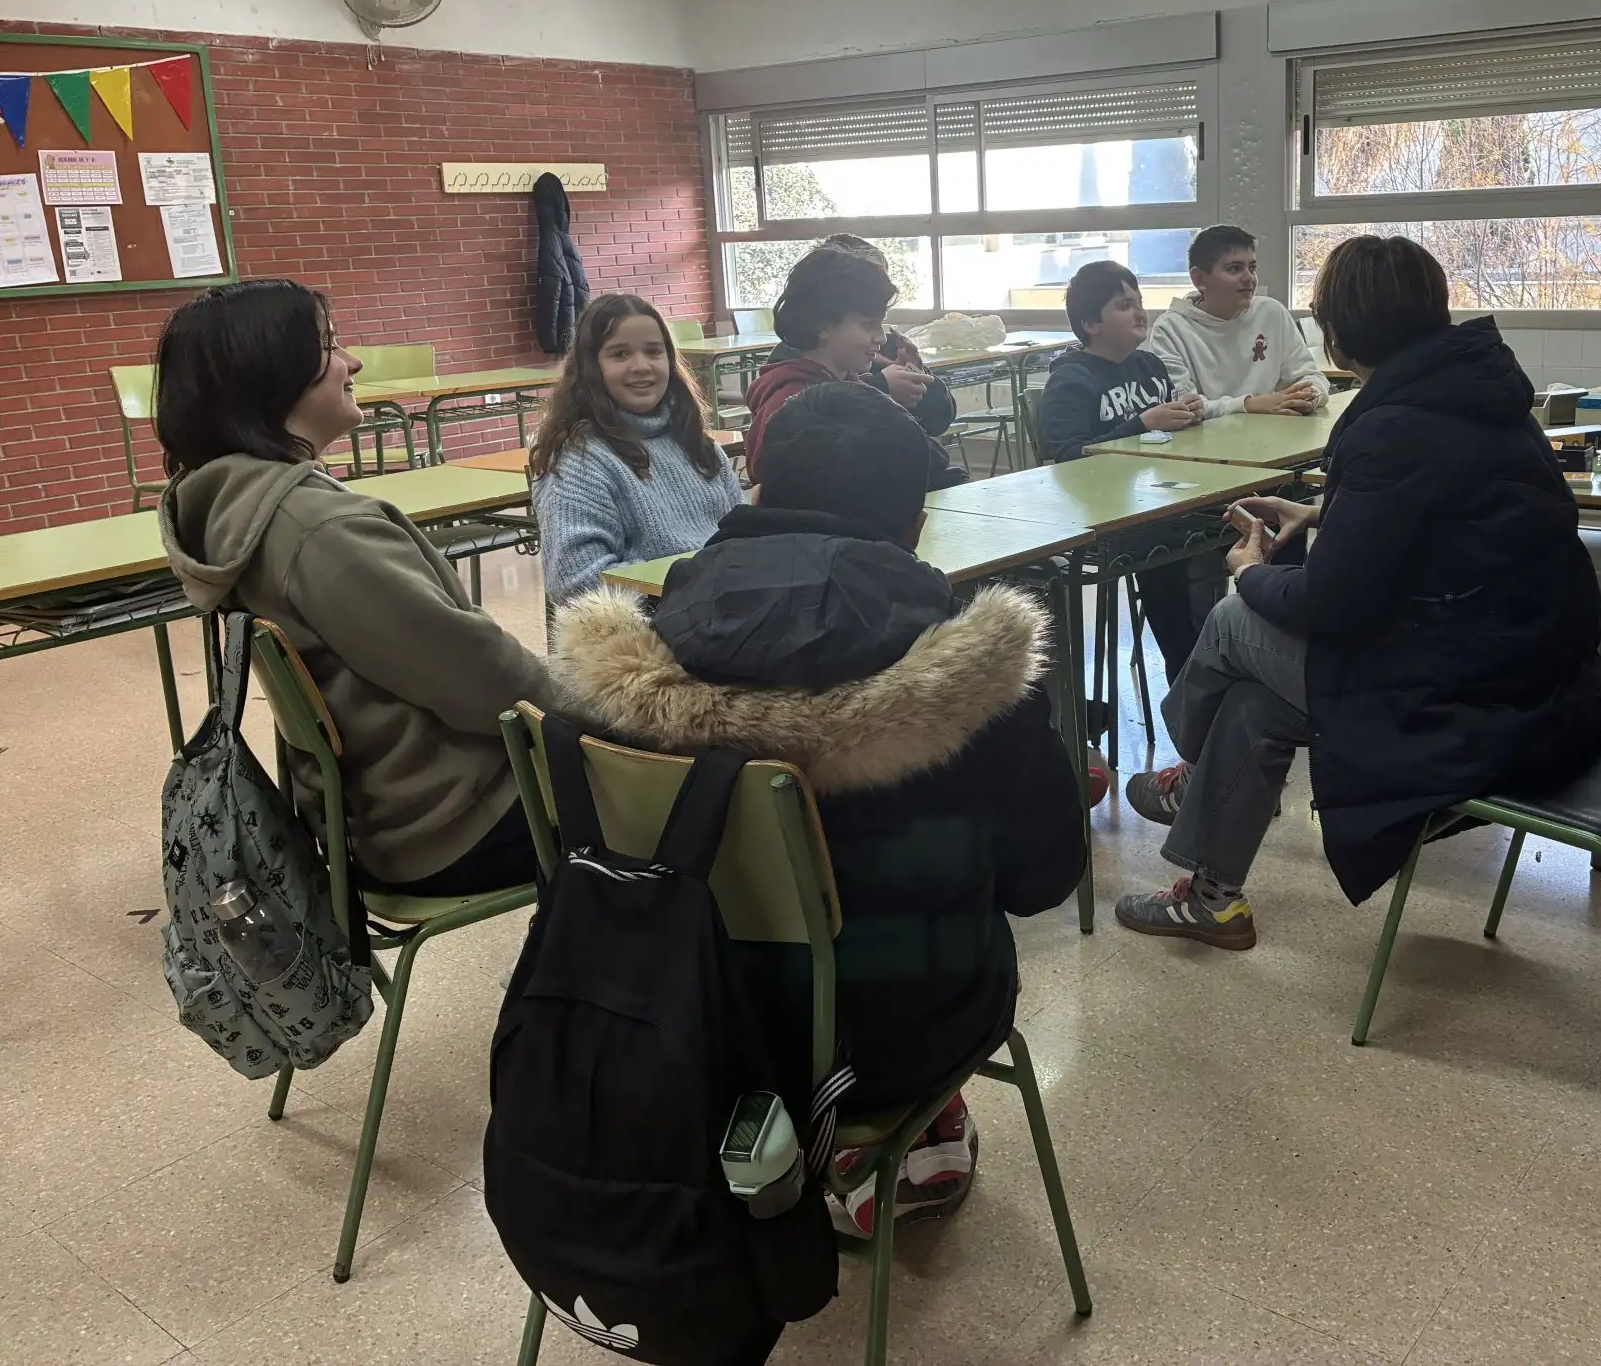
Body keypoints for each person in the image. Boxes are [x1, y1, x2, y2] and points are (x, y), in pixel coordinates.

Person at [553, 381, 1086, 1232]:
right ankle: (902, 1134)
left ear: (756, 493)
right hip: (904, 1032)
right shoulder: (977, 681)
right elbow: (1043, 880)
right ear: (916, 525)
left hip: (678, 1019)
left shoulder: (630, 662)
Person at [1115, 235, 1601, 949]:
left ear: (1341, 334)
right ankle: (1214, 900)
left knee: (1230, 619)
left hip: (1463, 703)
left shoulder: (1393, 427)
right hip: (1535, 680)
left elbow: (1328, 604)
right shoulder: (1481, 395)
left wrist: (1249, 571)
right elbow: (1446, 517)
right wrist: (1324, 514)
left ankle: (1189, 771)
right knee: (1254, 703)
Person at [155, 279, 553, 897]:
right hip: (455, 821)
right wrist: (610, 719)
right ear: (273, 376)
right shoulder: (320, 531)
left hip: (375, 815)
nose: (353, 362)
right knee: (693, 787)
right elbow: (481, 678)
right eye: (329, 346)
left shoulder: (233, 507)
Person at [1038, 259, 1214, 681]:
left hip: (1162, 496)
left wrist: (1186, 416)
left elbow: (1163, 437)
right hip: (1104, 514)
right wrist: (1142, 425)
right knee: (1165, 548)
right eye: (1123, 305)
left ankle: (1223, 653)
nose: (1140, 312)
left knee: (1253, 517)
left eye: (1139, 301)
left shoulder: (1149, 366)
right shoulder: (1070, 381)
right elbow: (1066, 458)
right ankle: (1188, 673)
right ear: (1091, 324)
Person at [530, 293, 743, 609]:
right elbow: (574, 582)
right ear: (591, 367)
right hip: (659, 622)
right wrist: (690, 586)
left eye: (654, 352)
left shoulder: (697, 443)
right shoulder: (580, 460)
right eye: (620, 354)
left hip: (731, 606)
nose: (641, 366)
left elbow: (741, 531)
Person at [743, 245, 967, 488]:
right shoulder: (792, 402)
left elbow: (928, 461)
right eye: (868, 325)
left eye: (880, 324)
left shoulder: (852, 385)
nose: (881, 338)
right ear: (823, 326)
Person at [1145, 224, 1330, 420]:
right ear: (1199, 279)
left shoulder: (1272, 312)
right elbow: (1184, 407)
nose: (1249, 277)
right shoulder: (1170, 329)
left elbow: (1312, 377)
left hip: (1272, 433)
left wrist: (1308, 397)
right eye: (1235, 268)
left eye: (1252, 268)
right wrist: (1248, 405)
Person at [816, 232, 959, 439]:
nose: (880, 337)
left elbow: (938, 420)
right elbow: (820, 425)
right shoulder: (796, 358)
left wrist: (918, 374)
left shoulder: (891, 345)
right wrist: (882, 388)